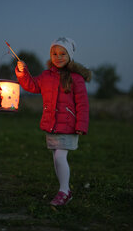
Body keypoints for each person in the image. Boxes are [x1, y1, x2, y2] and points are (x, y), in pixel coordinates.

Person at [15, 37, 91, 206]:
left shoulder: (76, 78)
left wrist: (81, 125)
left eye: (63, 53)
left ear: (69, 56)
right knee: (56, 159)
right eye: (54, 53)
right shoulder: (46, 75)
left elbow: (83, 104)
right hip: (52, 125)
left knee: (59, 157)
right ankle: (64, 189)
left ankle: (64, 191)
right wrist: (22, 72)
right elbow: (32, 85)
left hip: (69, 126)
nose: (58, 57)